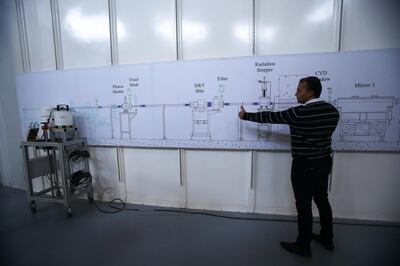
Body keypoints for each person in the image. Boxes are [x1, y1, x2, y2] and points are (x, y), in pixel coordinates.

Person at [238, 76, 339, 258]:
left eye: (299, 90)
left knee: (303, 205)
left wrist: (246, 116)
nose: (296, 93)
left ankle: (303, 245)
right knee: (322, 199)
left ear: (310, 92)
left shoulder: (299, 113)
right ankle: (327, 237)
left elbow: (271, 117)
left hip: (304, 165)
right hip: (324, 163)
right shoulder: (333, 111)